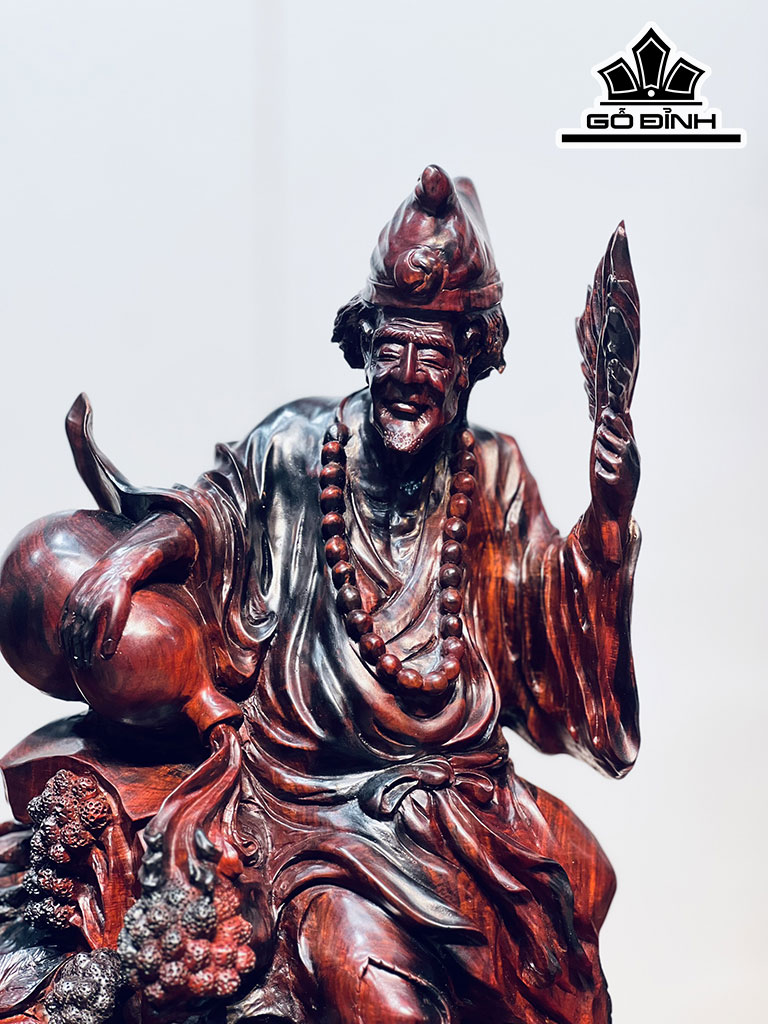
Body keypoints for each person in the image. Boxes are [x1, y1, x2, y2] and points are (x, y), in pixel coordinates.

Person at [0, 165, 640, 1023]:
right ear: (363, 341)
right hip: (312, 805)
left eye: (433, 353)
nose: (407, 374)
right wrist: (128, 560)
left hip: (460, 795)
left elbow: (550, 628)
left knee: (584, 887)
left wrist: (608, 516)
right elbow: (217, 513)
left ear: (472, 360)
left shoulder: (493, 471)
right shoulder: (299, 445)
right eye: (391, 347)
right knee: (381, 1002)